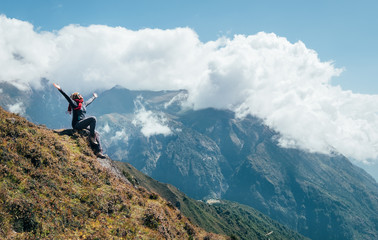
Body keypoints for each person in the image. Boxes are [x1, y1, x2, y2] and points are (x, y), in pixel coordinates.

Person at [53, 83, 106, 158]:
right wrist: (60, 89)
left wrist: (94, 97)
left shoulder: (83, 104)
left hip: (82, 123)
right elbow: (67, 97)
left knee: (96, 133)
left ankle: (99, 151)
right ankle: (91, 136)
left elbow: (89, 101)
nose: (81, 95)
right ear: (77, 97)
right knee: (93, 119)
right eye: (79, 95)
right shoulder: (74, 104)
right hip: (77, 124)